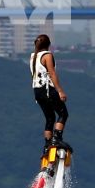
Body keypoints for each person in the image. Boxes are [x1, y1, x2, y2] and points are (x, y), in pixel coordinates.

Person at [29, 33, 70, 162]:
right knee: (63, 114)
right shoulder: (47, 55)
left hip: (37, 92)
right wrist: (60, 91)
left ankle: (47, 146)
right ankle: (57, 140)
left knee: (50, 118)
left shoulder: (33, 57)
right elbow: (52, 73)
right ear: (48, 45)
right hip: (47, 90)